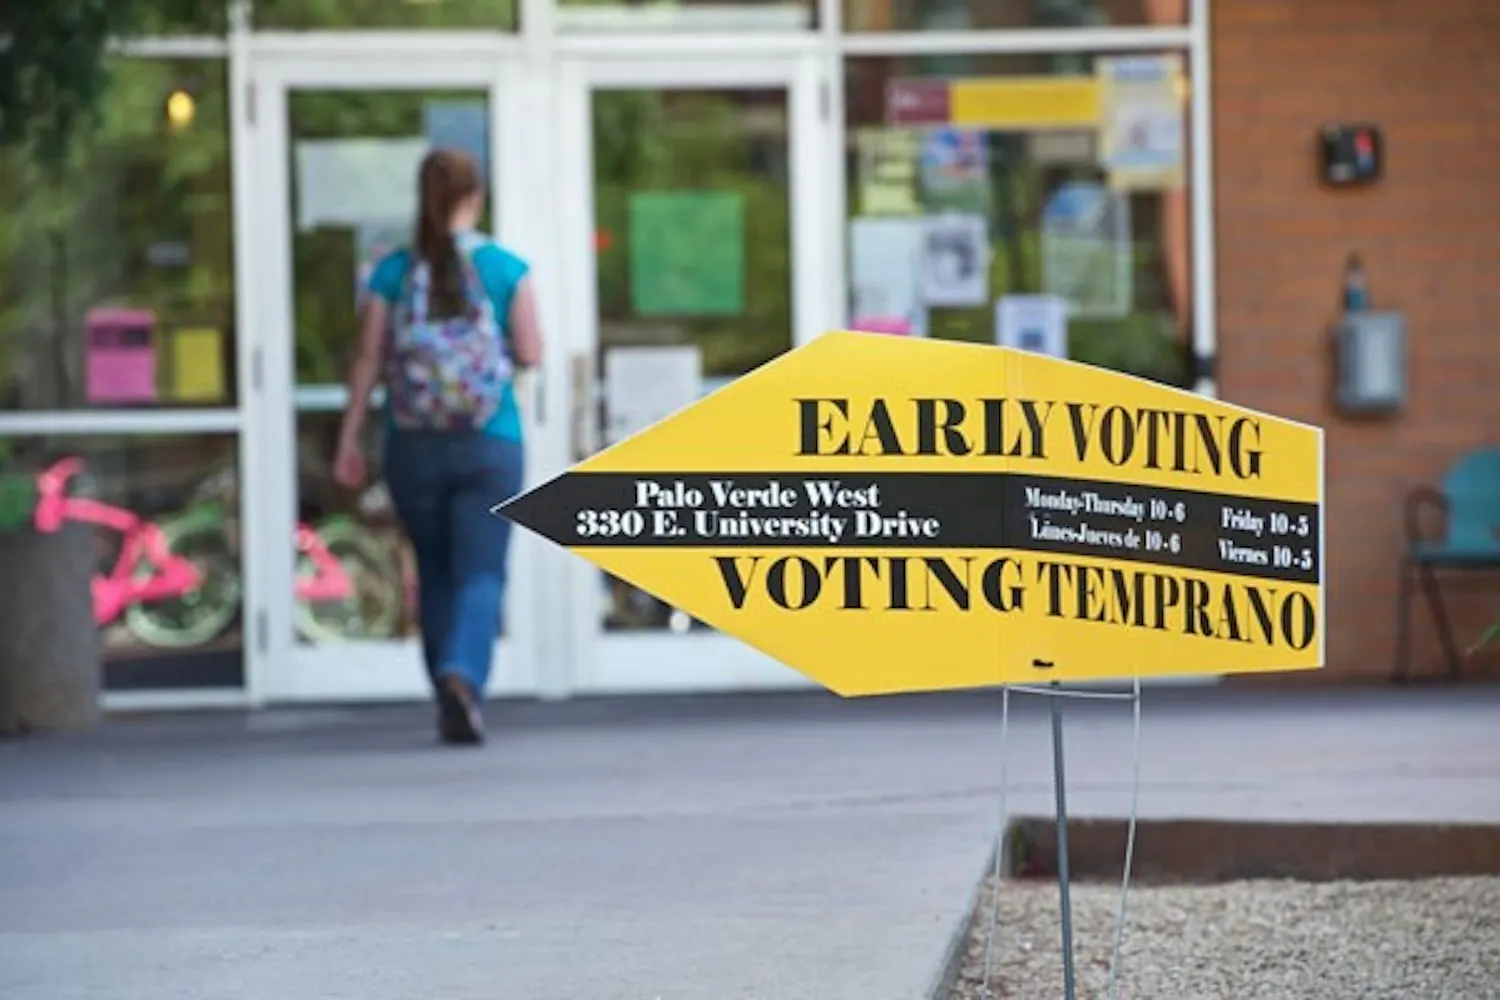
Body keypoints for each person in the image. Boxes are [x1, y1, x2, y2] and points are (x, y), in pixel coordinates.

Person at [332, 148, 542, 746]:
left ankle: (445, 690)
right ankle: (463, 675)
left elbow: (368, 358)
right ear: (475, 197)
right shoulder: (506, 268)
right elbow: (530, 352)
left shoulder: (392, 272)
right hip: (490, 440)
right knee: (481, 571)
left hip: (413, 443)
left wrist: (350, 435)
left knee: (435, 571)